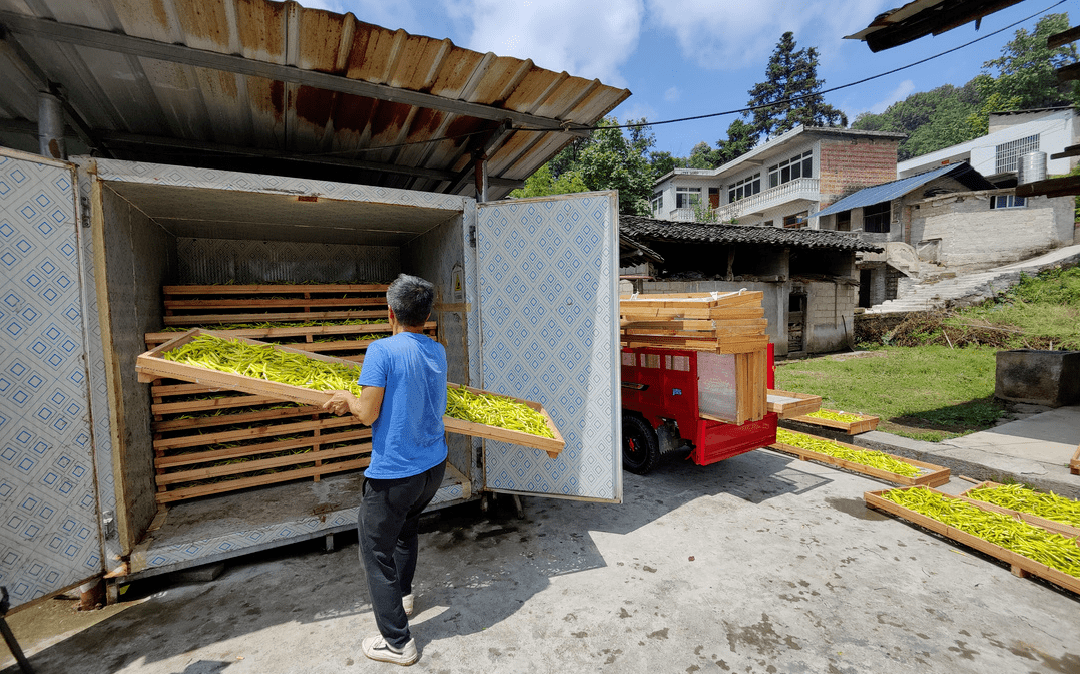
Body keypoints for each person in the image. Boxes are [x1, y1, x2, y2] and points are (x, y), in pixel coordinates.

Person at [323, 274, 447, 667]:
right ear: (426, 315)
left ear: (390, 312)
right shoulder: (437, 350)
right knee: (406, 530)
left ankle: (397, 642)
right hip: (433, 467)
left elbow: (367, 413)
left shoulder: (381, 351)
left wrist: (347, 399)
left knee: (375, 551)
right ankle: (404, 597)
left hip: (395, 473)